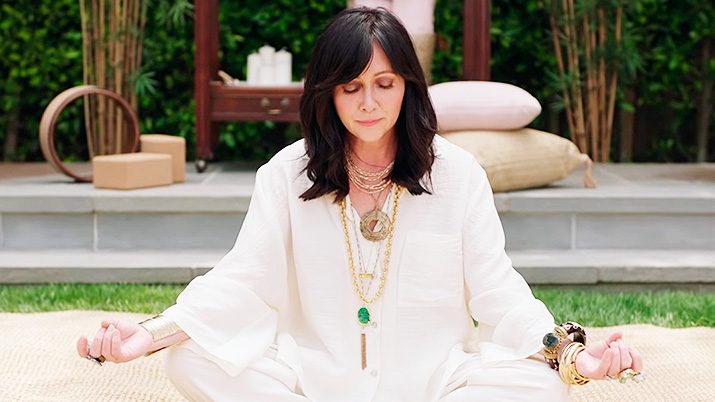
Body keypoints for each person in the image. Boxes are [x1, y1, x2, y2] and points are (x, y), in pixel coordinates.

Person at [77, 7, 643, 401]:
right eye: (351, 87)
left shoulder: (458, 174)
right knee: (191, 359)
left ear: (409, 86)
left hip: (434, 383)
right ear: (327, 93)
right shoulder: (286, 174)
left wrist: (575, 358)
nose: (369, 103)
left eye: (385, 84)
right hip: (310, 380)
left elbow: (499, 291)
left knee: (541, 385)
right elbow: (242, 280)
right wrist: (144, 338)